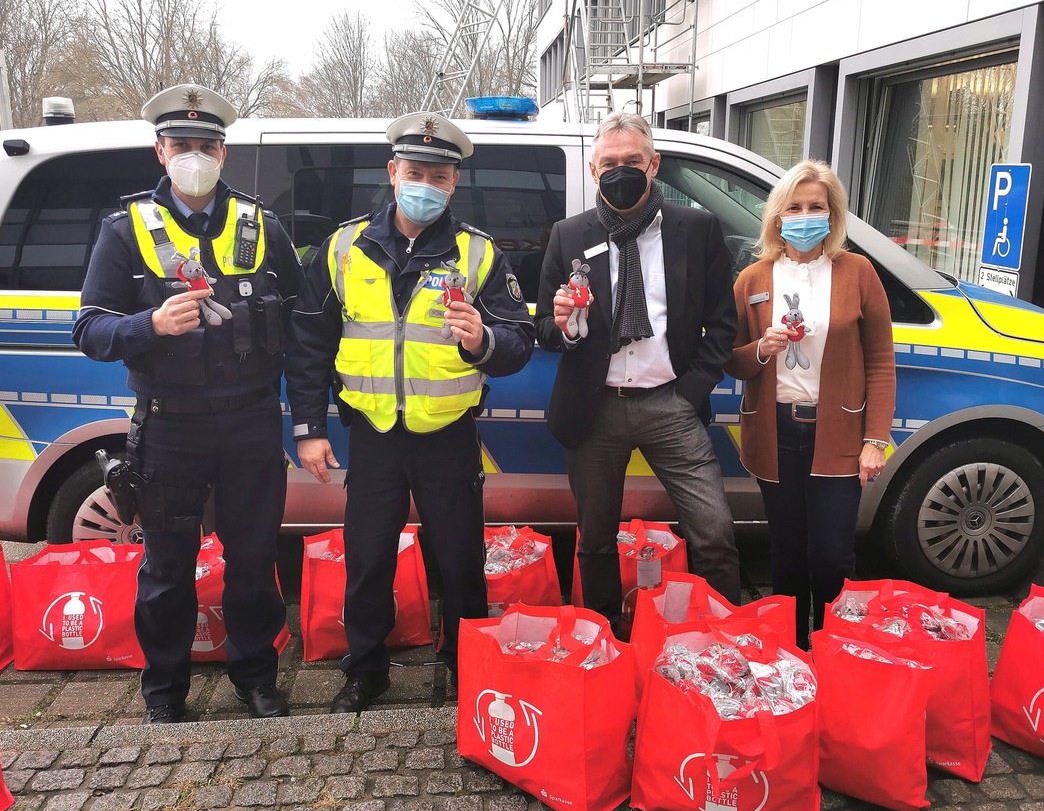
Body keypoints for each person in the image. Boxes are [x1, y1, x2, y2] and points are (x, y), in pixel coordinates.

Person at [285, 111, 535, 714]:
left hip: (448, 436)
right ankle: (365, 669)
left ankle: (465, 666)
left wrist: (484, 342)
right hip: (372, 435)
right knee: (367, 556)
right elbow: (310, 342)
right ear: (393, 172)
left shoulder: (478, 254)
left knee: (459, 559)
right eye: (415, 171)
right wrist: (310, 429)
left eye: (439, 176)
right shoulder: (344, 247)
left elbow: (520, 341)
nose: (426, 184)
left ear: (453, 186)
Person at [73, 83, 301, 723]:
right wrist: (150, 325)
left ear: (223, 154)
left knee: (254, 562)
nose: (194, 155)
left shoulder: (263, 224)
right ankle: (165, 695)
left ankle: (256, 681)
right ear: (160, 151)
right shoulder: (125, 230)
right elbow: (89, 328)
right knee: (168, 566)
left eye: (206, 145)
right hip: (171, 429)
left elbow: (306, 317)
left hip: (253, 423)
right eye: (182, 145)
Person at [534, 112, 741, 626]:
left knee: (713, 530)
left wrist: (691, 390)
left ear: (654, 165)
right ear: (592, 168)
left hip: (669, 403)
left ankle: (725, 637)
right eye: (609, 163)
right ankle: (607, 642)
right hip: (595, 406)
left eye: (632, 162)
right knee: (596, 538)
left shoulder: (696, 229)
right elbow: (545, 328)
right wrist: (565, 326)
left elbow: (722, 323)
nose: (619, 171)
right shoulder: (567, 235)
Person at [724, 159, 895, 648]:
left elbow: (882, 361)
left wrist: (875, 440)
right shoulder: (753, 279)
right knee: (787, 554)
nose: (804, 216)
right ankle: (792, 653)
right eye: (794, 207)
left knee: (834, 557)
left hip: (839, 437)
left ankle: (834, 651)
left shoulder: (857, 272)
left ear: (832, 214)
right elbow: (731, 362)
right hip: (777, 433)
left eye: (815, 206)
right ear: (778, 216)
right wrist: (761, 349)